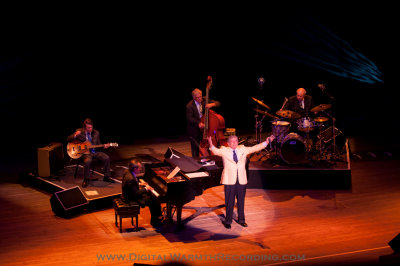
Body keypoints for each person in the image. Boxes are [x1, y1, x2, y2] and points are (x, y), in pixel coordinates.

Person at [208, 134, 275, 229]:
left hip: (241, 180)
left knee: (241, 201)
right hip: (230, 180)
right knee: (229, 202)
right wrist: (211, 144)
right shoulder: (224, 150)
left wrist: (267, 142)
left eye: (235, 141)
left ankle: (241, 220)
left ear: (237, 142)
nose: (233, 143)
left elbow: (255, 148)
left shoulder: (243, 149)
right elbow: (215, 151)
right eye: (231, 142)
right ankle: (228, 221)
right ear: (228, 143)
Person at [67, 118, 113, 188]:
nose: (90, 129)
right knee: (87, 161)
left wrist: (104, 146)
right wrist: (75, 135)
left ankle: (106, 176)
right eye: (88, 127)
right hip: (85, 153)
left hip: (95, 152)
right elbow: (68, 139)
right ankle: (86, 179)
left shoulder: (96, 133)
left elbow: (98, 144)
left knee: (106, 157)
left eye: (91, 127)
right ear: (85, 127)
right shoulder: (79, 131)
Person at [121, 159, 163, 227]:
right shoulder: (130, 179)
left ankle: (157, 217)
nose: (140, 169)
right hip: (131, 198)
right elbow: (135, 193)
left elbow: (131, 187)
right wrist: (146, 188)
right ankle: (155, 220)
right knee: (153, 200)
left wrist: (140, 184)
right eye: (139, 168)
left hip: (129, 193)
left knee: (152, 196)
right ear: (135, 168)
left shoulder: (128, 171)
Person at [186, 88, 220, 158]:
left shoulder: (205, 100)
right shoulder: (189, 106)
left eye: (200, 97)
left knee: (207, 145)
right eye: (197, 98)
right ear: (193, 97)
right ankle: (196, 163)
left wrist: (212, 104)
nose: (199, 99)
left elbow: (218, 103)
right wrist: (198, 123)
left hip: (206, 128)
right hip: (195, 129)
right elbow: (189, 118)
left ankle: (209, 159)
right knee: (195, 148)